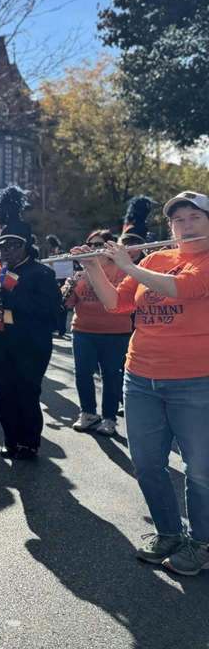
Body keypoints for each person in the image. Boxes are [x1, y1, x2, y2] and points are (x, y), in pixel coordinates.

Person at [77, 190, 209, 576]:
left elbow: (181, 289)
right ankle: (168, 532)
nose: (185, 226)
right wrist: (93, 266)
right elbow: (116, 305)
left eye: (194, 218)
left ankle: (202, 542)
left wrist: (126, 264)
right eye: (178, 220)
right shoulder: (156, 258)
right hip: (140, 377)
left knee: (199, 469)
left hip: (195, 380)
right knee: (148, 464)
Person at [0, 185, 59, 461]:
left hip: (31, 343)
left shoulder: (42, 273)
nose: (6, 250)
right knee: (3, 394)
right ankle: (11, 439)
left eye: (13, 245)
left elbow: (49, 312)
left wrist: (12, 286)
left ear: (26, 245)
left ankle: (29, 443)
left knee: (27, 393)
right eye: (2, 246)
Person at [64, 229, 132, 437]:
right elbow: (68, 304)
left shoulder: (122, 270)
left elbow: (120, 300)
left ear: (109, 245)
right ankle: (88, 413)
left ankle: (109, 418)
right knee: (82, 373)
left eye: (99, 244)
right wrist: (68, 289)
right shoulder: (81, 271)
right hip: (83, 329)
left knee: (111, 375)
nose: (94, 249)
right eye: (90, 244)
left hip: (115, 331)